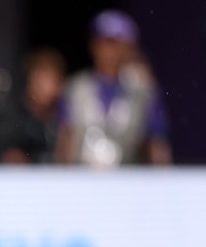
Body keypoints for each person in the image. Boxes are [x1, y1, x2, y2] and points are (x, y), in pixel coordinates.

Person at [55, 10, 172, 166]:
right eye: (102, 41)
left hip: (127, 181)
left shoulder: (142, 91)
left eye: (115, 43)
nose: (107, 50)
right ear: (93, 45)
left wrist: (162, 183)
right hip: (81, 180)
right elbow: (66, 140)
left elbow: (155, 143)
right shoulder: (76, 88)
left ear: (129, 47)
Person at [2, 48, 66, 164]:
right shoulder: (12, 120)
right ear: (30, 80)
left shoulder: (62, 120)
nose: (47, 88)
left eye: (52, 80)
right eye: (42, 80)